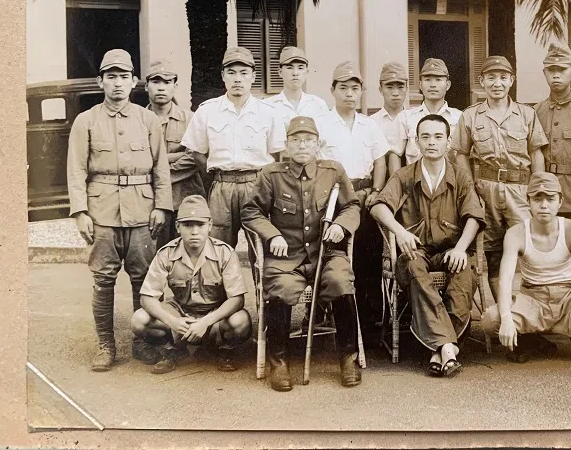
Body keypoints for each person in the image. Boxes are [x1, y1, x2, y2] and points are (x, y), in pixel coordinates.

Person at [66, 48, 172, 371]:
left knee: (145, 281)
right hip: (102, 213)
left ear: (134, 82)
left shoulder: (148, 120)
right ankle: (105, 344)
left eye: (123, 77)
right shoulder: (85, 121)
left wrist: (161, 207)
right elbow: (76, 171)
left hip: (142, 211)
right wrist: (81, 212)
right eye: (110, 77)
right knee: (103, 279)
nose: (117, 84)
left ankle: (145, 341)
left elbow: (161, 169)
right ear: (100, 82)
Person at [242, 116, 363, 390]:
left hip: (327, 253)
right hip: (287, 257)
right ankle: (280, 362)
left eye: (308, 140)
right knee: (282, 287)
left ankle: (348, 357)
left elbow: (352, 206)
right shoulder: (271, 175)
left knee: (341, 281)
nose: (302, 146)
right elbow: (251, 211)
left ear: (317, 144)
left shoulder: (333, 172)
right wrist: (272, 233)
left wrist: (341, 227)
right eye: (295, 140)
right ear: (286, 145)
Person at [370, 114, 485, 378]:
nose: (431, 142)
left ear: (447, 142)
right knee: (412, 265)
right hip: (417, 252)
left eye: (438, 137)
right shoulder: (404, 175)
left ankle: (440, 350)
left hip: (450, 251)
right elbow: (378, 207)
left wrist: (460, 249)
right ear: (416, 143)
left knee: (464, 270)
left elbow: (474, 217)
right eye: (425, 137)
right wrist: (399, 231)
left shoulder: (460, 176)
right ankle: (449, 347)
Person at [481, 173, 571, 363]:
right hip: (532, 299)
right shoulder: (516, 233)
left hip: (568, 297)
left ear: (560, 201)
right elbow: (505, 279)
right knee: (491, 321)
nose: (544, 205)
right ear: (528, 201)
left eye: (550, 198)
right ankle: (531, 340)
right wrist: (505, 318)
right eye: (537, 198)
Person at [453, 55, 548, 300]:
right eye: (491, 78)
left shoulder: (527, 114)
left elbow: (536, 153)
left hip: (521, 189)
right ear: (482, 81)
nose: (497, 83)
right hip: (486, 190)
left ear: (511, 81)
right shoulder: (470, 116)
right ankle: (502, 310)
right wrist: (470, 191)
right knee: (492, 252)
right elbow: (461, 155)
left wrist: (538, 191)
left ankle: (529, 311)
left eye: (503, 78)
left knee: (529, 245)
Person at [181, 46, 286, 255]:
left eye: (244, 73)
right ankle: (217, 289)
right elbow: (197, 152)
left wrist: (263, 183)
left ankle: (261, 288)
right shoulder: (207, 111)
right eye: (231, 72)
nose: (237, 79)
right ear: (223, 76)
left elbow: (277, 155)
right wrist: (215, 179)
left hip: (257, 186)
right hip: (222, 187)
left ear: (253, 76)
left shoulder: (268, 113)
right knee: (217, 250)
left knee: (261, 250)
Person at [131, 194, 253, 373]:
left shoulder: (224, 253)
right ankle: (172, 350)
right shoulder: (166, 254)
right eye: (188, 225)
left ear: (210, 225)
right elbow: (147, 298)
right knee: (139, 320)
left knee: (240, 321)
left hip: (213, 317)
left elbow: (237, 299)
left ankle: (221, 350)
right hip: (180, 313)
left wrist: (206, 322)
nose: (194, 231)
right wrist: (173, 321)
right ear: (178, 226)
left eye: (200, 225)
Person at [315, 61, 390, 336]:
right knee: (336, 260)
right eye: (343, 87)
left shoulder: (369, 125)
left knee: (367, 260)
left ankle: (368, 328)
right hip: (333, 199)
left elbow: (380, 159)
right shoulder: (322, 124)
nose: (349, 93)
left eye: (355, 88)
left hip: (363, 195)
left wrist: (376, 190)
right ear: (333, 90)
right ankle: (339, 322)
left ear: (361, 92)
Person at [533, 41, 571, 278]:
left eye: (562, 69)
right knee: (548, 257)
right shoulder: (535, 112)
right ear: (545, 73)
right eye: (551, 70)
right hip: (547, 197)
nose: (556, 75)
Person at [144, 59, 206, 247]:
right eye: (156, 82)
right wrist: (174, 157)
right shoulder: (138, 119)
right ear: (146, 86)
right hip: (151, 200)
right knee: (155, 256)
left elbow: (194, 157)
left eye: (167, 82)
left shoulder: (190, 118)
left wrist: (157, 168)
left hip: (185, 198)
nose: (161, 87)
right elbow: (134, 159)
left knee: (187, 254)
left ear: (175, 86)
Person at [391, 58, 463, 168]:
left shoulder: (459, 117)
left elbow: (463, 156)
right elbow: (395, 154)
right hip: (414, 182)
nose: (432, 85)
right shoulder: (406, 118)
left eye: (438, 80)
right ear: (420, 85)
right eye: (427, 79)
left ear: (447, 85)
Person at [264, 45, 330, 128]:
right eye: (289, 67)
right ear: (280, 72)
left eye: (300, 68)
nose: (295, 73)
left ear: (307, 72)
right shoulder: (268, 106)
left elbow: (325, 138)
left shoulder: (318, 105)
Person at [369, 61, 409, 177]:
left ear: (407, 88)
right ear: (380, 89)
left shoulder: (414, 120)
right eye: (389, 87)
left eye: (400, 87)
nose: (395, 93)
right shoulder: (372, 122)